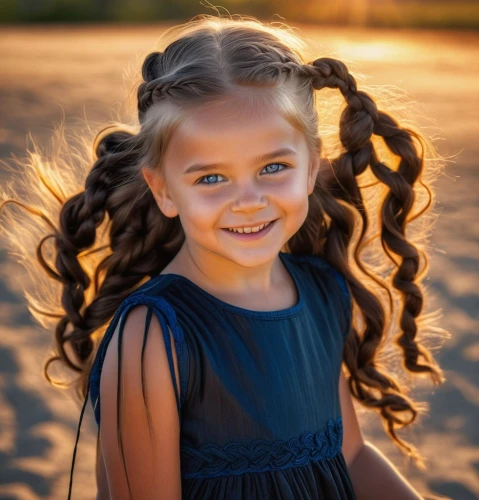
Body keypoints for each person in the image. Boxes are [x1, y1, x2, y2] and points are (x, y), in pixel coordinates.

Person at [0, 12, 449, 500]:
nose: (249, 200)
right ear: (164, 190)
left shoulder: (324, 290)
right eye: (211, 178)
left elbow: (352, 455)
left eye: (274, 167)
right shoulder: (153, 336)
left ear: (311, 167)